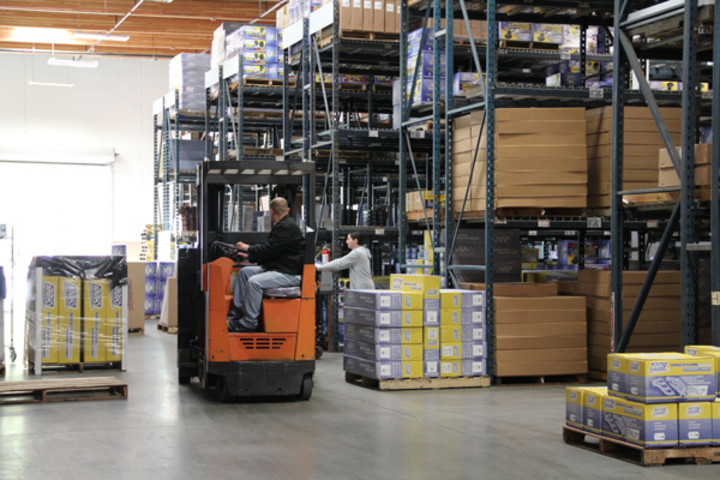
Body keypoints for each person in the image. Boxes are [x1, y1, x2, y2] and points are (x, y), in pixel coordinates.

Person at [228, 197, 306, 332]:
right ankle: (238, 313)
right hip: (280, 268)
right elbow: (273, 251)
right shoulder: (284, 225)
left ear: (271, 212)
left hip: (289, 273)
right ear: (287, 210)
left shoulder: (287, 227)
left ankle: (248, 323)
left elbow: (270, 249)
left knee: (254, 282)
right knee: (244, 272)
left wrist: (249, 249)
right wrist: (250, 256)